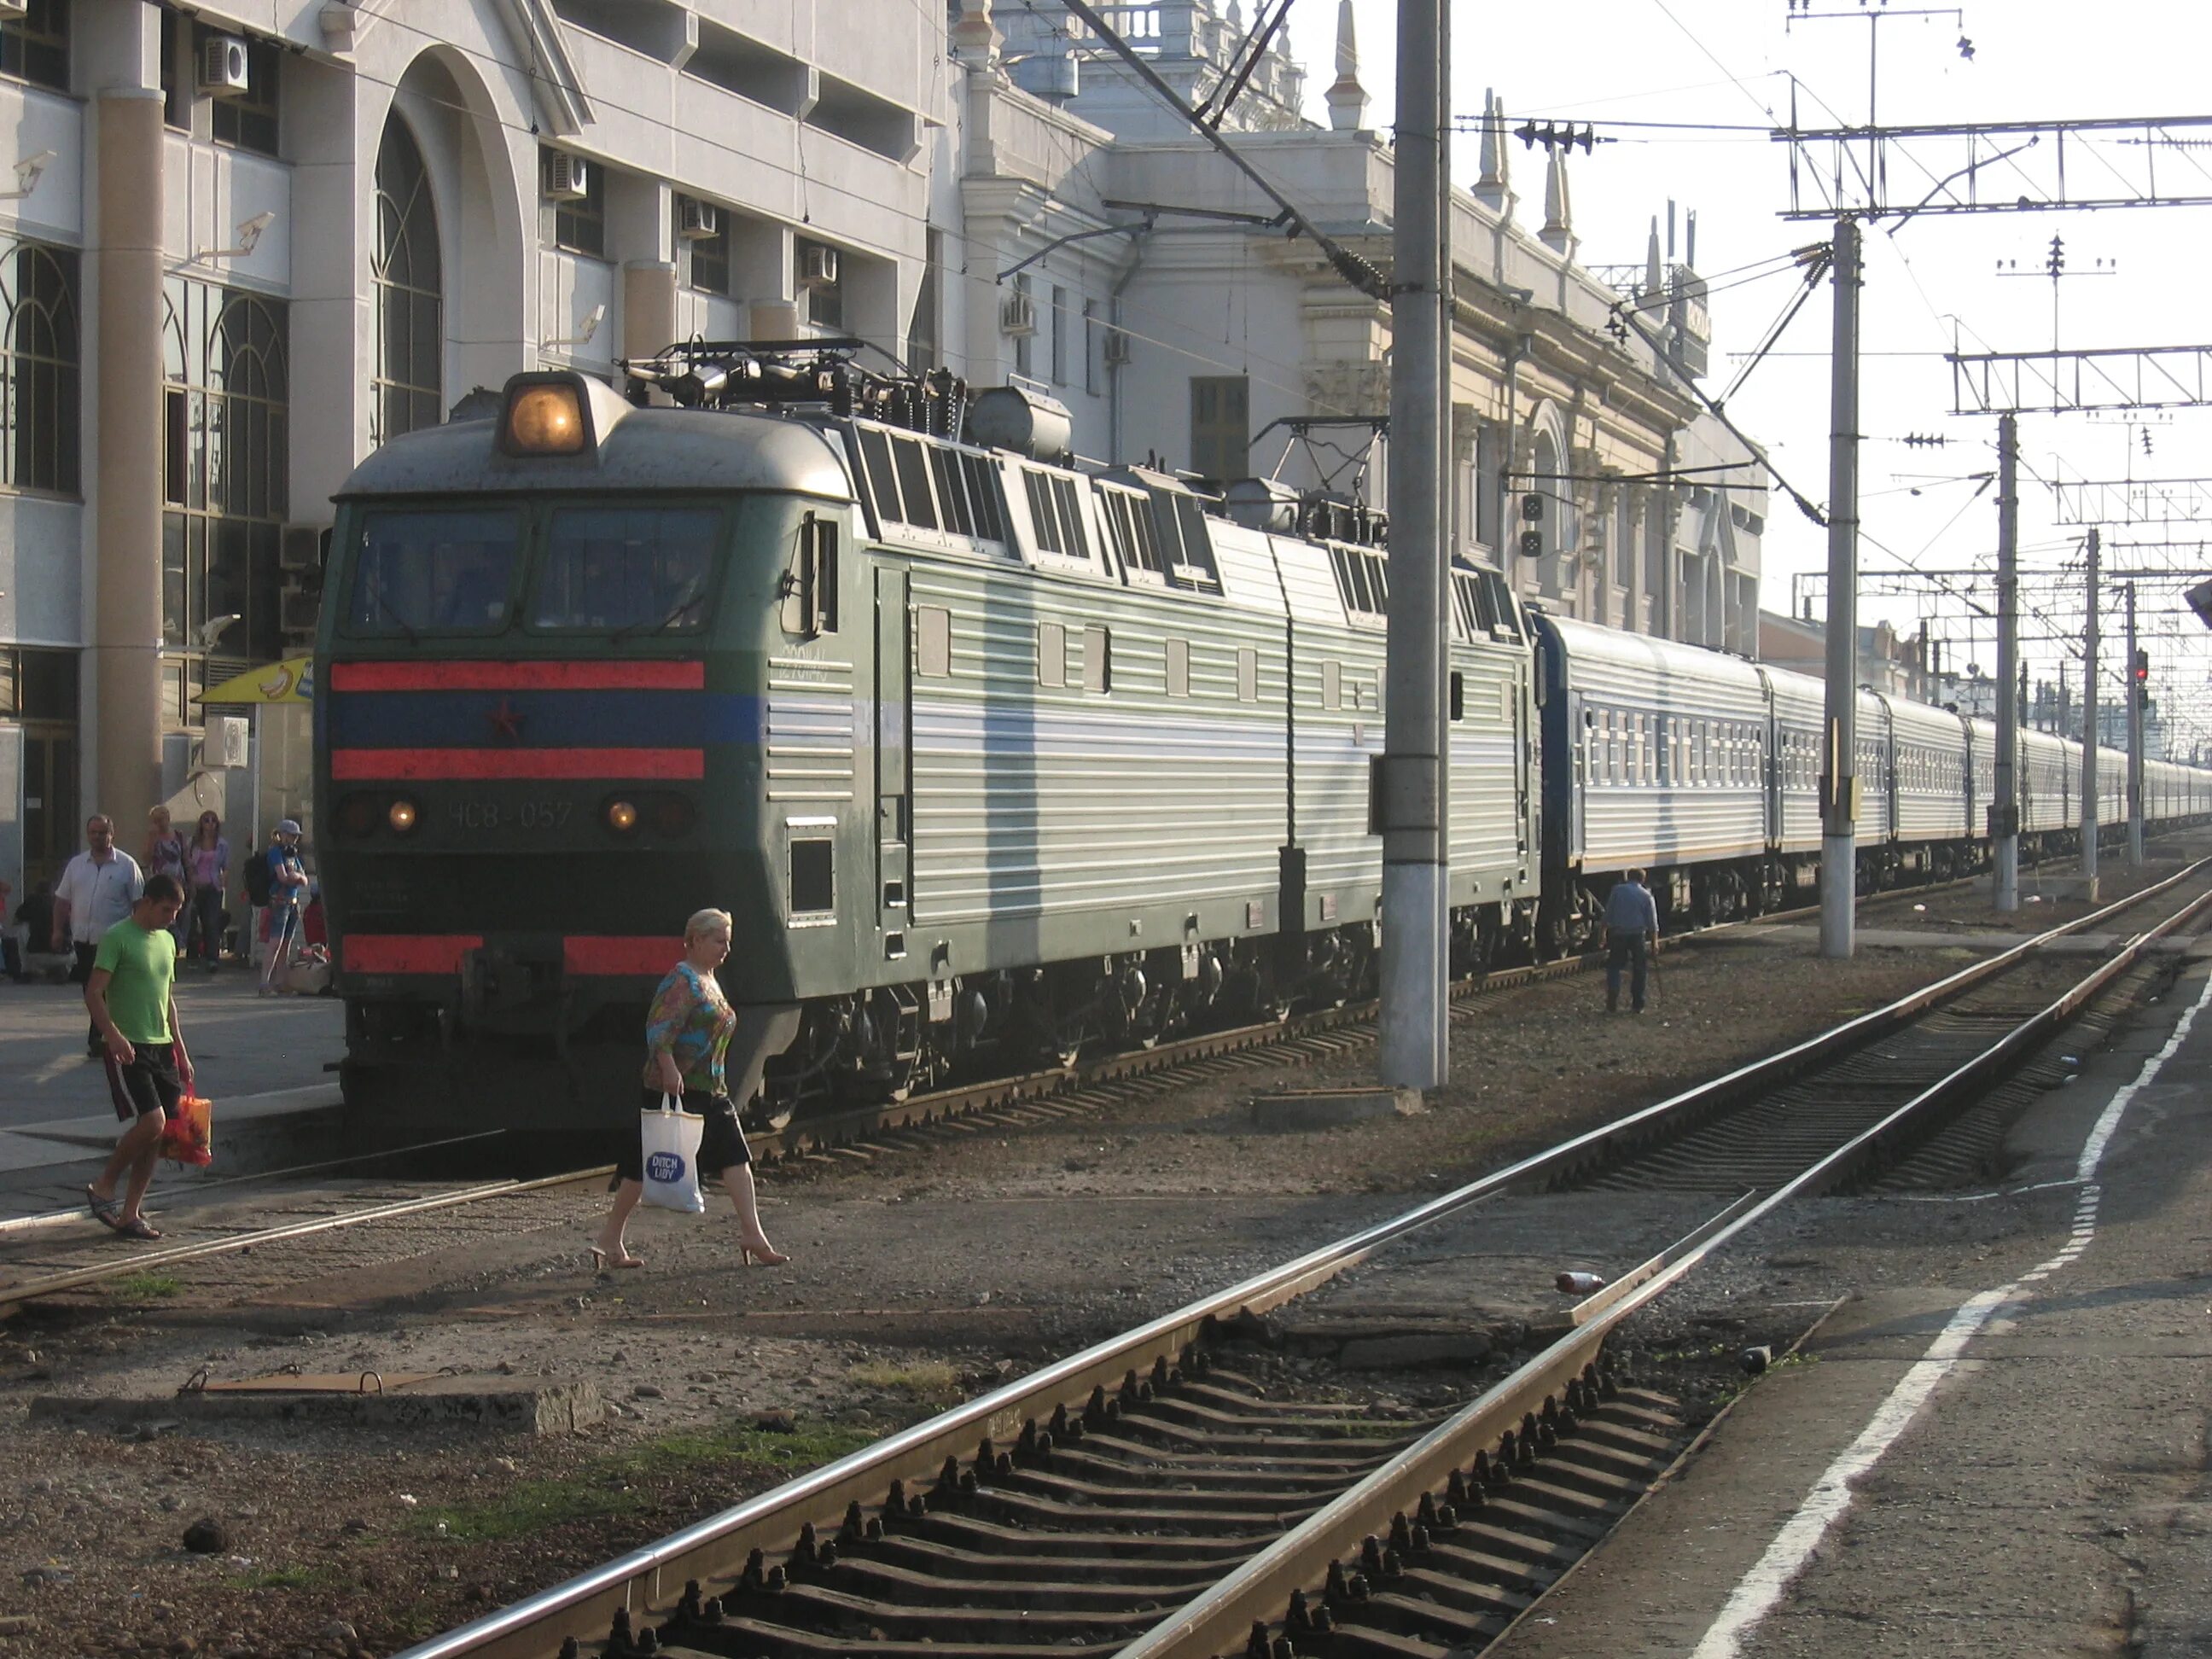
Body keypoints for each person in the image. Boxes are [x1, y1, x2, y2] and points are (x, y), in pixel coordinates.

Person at [591, 908, 788, 1272]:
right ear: (695, 940)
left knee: (734, 1158)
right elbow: (658, 1030)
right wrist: (668, 1070)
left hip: (709, 1087)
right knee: (640, 1167)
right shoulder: (681, 981)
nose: (726, 948)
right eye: (719, 941)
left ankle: (752, 1234)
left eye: (728, 942)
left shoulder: (708, 978)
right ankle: (609, 1239)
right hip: (678, 1086)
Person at [84, 874, 190, 1242]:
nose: (171, 917)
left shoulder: (167, 941)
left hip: (162, 1045)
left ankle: (131, 1213)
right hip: (129, 1044)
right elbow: (94, 993)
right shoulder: (117, 937)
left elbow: (168, 998)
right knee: (152, 1121)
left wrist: (181, 1049)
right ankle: (103, 1184)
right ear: (147, 902)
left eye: (176, 911)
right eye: (166, 909)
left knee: (158, 1136)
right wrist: (111, 1036)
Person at [54, 816, 145, 1057]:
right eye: (93, 832)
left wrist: (140, 937)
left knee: (107, 991)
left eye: (102, 832)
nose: (97, 837)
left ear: (111, 834)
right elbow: (62, 900)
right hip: (84, 940)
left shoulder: (127, 865)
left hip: (114, 942)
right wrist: (57, 930)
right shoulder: (76, 865)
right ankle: (102, 1034)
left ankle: (101, 1037)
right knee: (91, 990)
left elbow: (139, 904)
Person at [258, 820, 309, 995]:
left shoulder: (293, 855)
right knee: (275, 943)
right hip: (279, 902)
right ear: (283, 835)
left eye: (296, 837)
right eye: (291, 836)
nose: (294, 840)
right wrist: (294, 877)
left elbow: (304, 879)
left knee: (286, 944)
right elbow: (282, 877)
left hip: (292, 903)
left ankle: (281, 982)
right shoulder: (275, 852)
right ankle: (264, 982)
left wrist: (294, 876)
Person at [1604, 867, 1661, 1015]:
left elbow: (1608, 913)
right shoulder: (1646, 895)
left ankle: (1613, 993)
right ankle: (1638, 1004)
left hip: (1618, 934)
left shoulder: (1617, 891)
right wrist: (1655, 943)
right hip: (1637, 935)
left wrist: (1602, 933)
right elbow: (1652, 923)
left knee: (1614, 966)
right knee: (1639, 969)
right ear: (1642, 880)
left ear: (1628, 877)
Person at [184, 811, 230, 971]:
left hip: (213, 886)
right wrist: (190, 882)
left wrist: (223, 879)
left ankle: (212, 958)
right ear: (201, 824)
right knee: (191, 920)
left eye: (213, 821)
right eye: (206, 820)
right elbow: (188, 864)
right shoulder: (193, 843)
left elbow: (225, 866)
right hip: (196, 885)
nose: (210, 824)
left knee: (211, 922)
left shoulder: (222, 844)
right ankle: (192, 955)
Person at [143, 806, 189, 950]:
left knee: (180, 918)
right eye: (156, 820)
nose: (160, 823)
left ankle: (178, 949)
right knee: (164, 918)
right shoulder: (152, 837)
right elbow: (146, 860)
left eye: (162, 819)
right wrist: (152, 840)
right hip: (160, 884)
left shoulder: (178, 835)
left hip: (178, 882)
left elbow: (186, 859)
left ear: (168, 819)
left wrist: (191, 881)